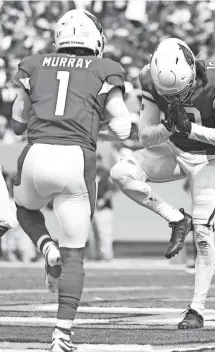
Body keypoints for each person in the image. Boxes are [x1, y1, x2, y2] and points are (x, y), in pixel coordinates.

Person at [11, 9, 131, 352]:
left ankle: (45, 246)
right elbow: (122, 126)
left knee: (22, 208)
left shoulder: (33, 63)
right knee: (75, 254)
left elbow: (18, 122)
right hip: (76, 160)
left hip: (36, 155)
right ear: (95, 39)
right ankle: (61, 335)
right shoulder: (106, 69)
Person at [110, 38, 215, 329]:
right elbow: (145, 136)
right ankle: (176, 219)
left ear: (193, 70)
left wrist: (189, 128)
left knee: (205, 234)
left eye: (182, 92)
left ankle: (196, 309)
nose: (177, 98)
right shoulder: (149, 78)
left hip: (208, 158)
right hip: (172, 151)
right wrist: (169, 127)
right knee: (121, 172)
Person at [88, 153, 117, 261]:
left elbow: (112, 189)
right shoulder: (87, 174)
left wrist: (103, 199)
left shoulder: (106, 173)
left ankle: (107, 255)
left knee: (105, 232)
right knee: (91, 234)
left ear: (100, 161)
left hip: (103, 207)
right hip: (90, 207)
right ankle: (94, 255)